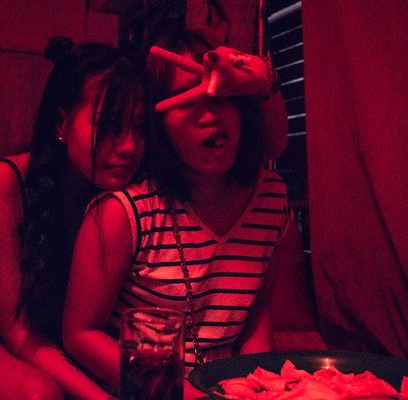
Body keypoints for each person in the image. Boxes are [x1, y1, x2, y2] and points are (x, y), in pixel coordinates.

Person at [63, 30, 304, 398]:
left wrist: (256, 388)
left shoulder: (270, 198)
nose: (209, 114)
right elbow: (81, 334)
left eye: (222, 96)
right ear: (158, 126)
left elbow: (256, 312)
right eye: (188, 100)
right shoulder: (122, 213)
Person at [0, 37, 146, 400]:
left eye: (139, 128)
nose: (129, 146)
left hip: (83, 352)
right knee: (38, 394)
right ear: (61, 123)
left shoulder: (136, 193)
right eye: (109, 124)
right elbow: (19, 334)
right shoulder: (1, 186)